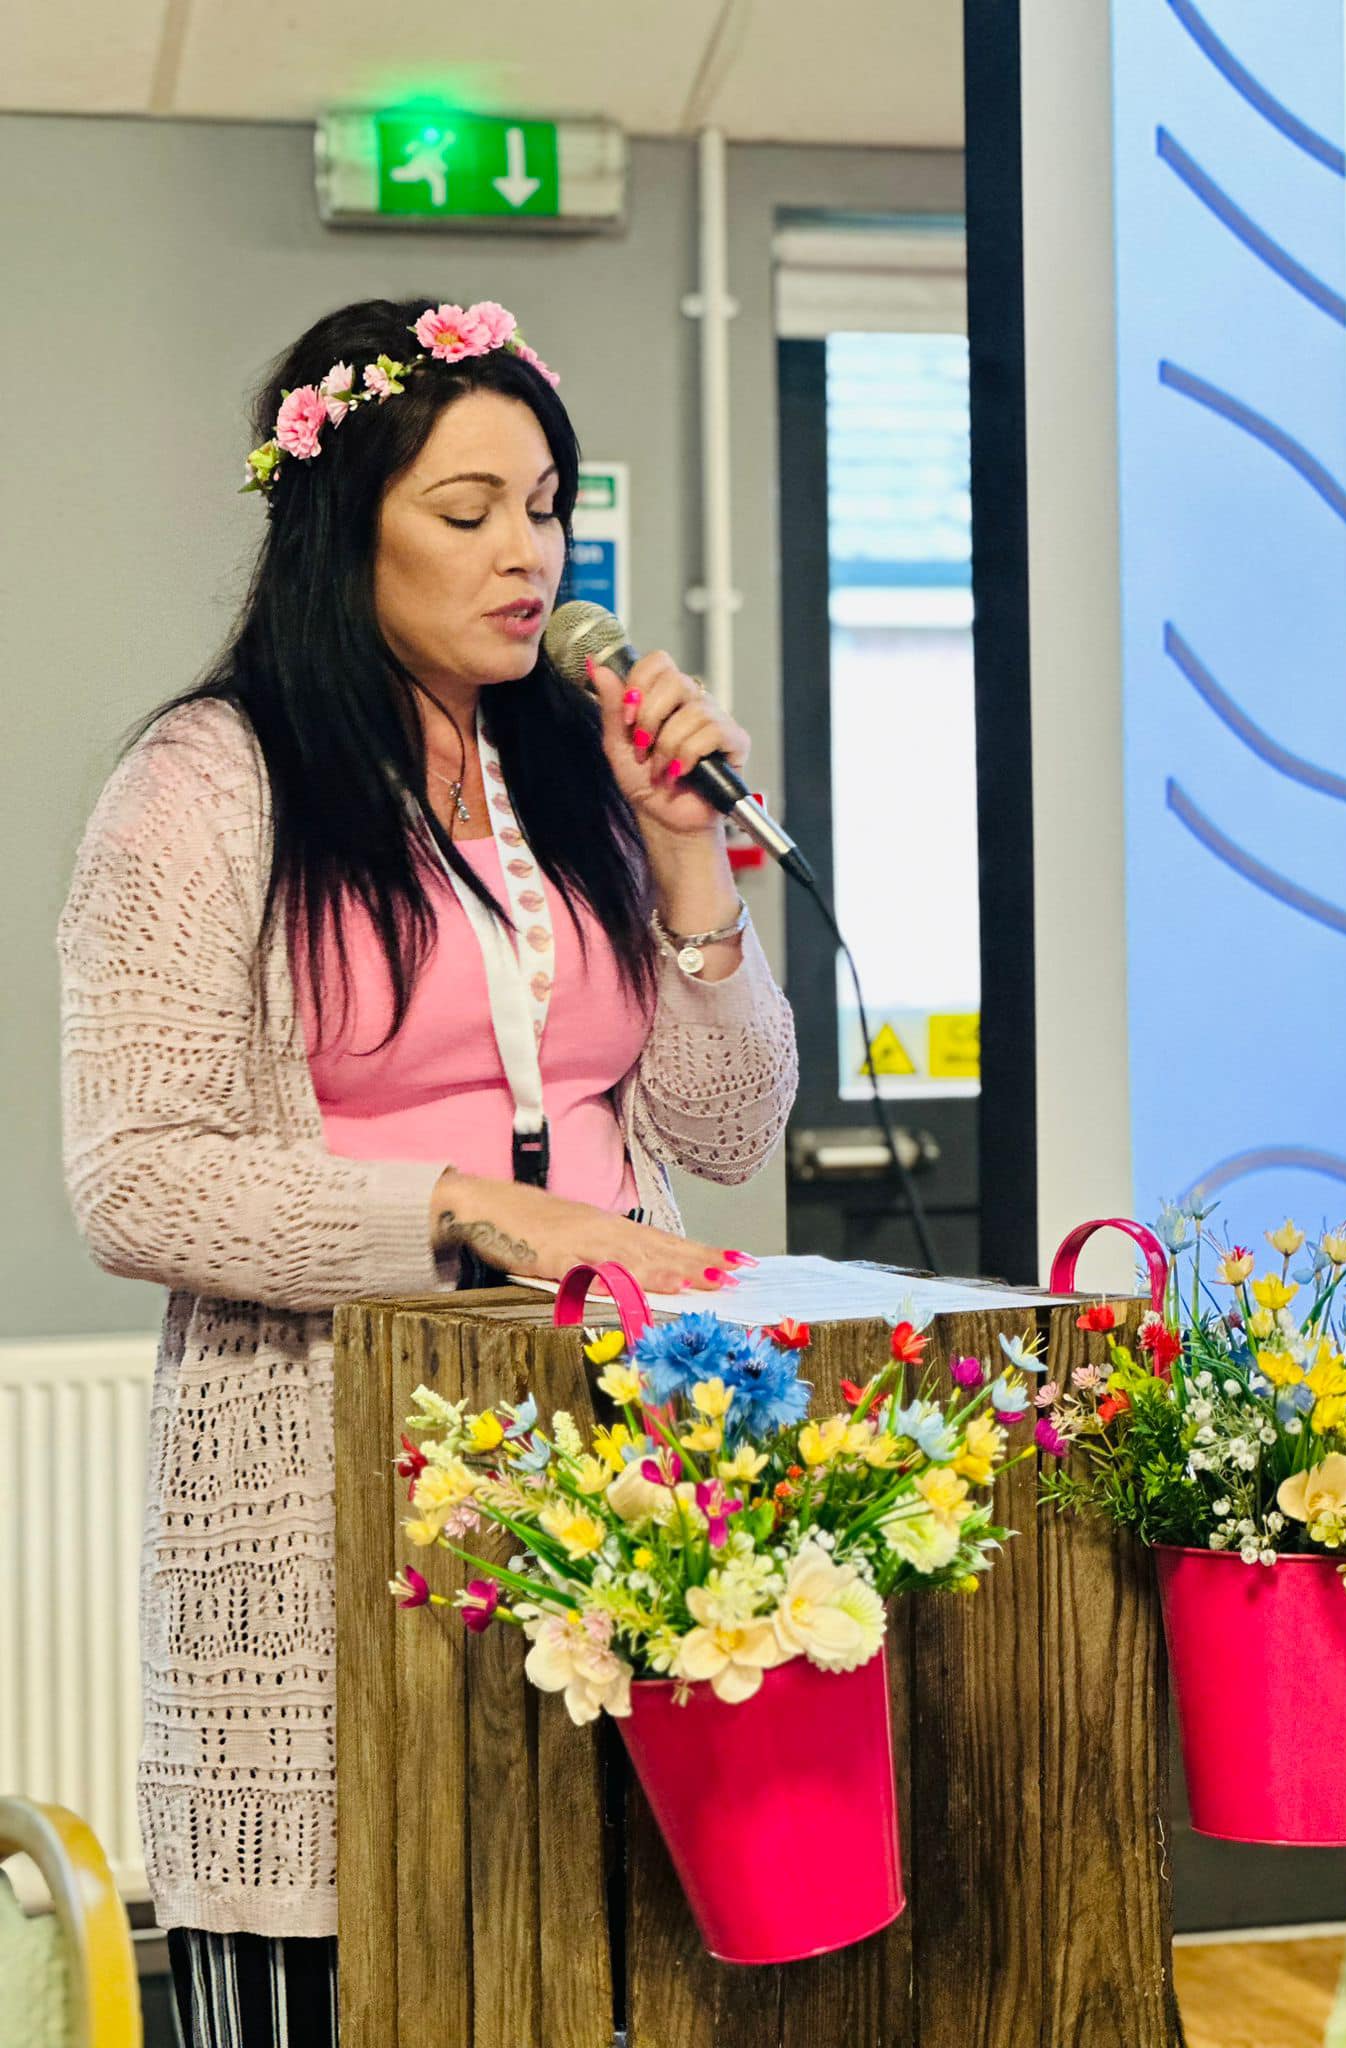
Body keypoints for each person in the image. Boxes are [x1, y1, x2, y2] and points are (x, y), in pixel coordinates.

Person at [57, 295, 797, 2047]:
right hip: (336, 1473)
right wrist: (468, 1214)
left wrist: (688, 861)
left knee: (614, 1960)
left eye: (546, 508)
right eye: (468, 513)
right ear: (346, 527)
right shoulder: (209, 783)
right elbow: (134, 1177)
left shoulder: (574, 778)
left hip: (620, 1466)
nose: (528, 556)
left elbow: (728, 1126)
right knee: (364, 1970)